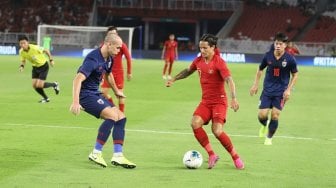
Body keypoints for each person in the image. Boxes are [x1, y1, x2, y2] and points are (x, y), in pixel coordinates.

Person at [166, 34, 244, 170]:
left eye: (205, 48)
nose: (202, 51)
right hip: (206, 102)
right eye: (200, 48)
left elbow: (229, 80)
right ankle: (212, 155)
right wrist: (174, 79)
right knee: (195, 123)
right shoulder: (198, 61)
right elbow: (188, 71)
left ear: (213, 47)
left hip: (219, 102)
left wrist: (234, 98)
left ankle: (235, 157)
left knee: (217, 131)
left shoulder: (219, 62)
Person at [69, 33, 136, 169]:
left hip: (95, 93)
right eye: (117, 48)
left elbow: (108, 74)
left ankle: (118, 156)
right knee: (112, 116)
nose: (119, 51)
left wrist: (117, 91)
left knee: (121, 117)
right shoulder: (93, 59)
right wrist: (75, 102)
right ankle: (96, 152)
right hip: (85, 95)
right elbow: (77, 79)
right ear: (108, 44)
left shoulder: (109, 59)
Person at [249, 32, 299, 145]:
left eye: (280, 44)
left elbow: (295, 74)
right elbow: (260, 69)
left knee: (275, 115)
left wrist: (289, 89)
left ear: (285, 45)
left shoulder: (290, 59)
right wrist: (255, 84)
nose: (278, 45)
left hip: (281, 92)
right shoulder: (268, 56)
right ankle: (264, 125)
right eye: (276, 43)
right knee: (262, 115)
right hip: (267, 91)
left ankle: (269, 138)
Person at [18, 35, 59, 103]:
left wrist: (51, 60)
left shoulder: (35, 48)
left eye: (24, 43)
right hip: (35, 67)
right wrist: (22, 66)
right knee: (34, 85)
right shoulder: (21, 52)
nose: (22, 45)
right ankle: (46, 98)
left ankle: (54, 84)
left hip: (43, 66)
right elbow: (23, 60)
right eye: (21, 43)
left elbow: (46, 50)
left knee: (39, 85)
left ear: (27, 42)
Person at [101, 26, 132, 112]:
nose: (113, 35)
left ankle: (121, 114)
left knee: (120, 94)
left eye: (114, 33)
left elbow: (128, 58)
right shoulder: (104, 45)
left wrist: (129, 72)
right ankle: (115, 110)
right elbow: (100, 58)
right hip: (107, 72)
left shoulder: (121, 45)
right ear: (108, 35)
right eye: (111, 33)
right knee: (103, 93)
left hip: (118, 73)